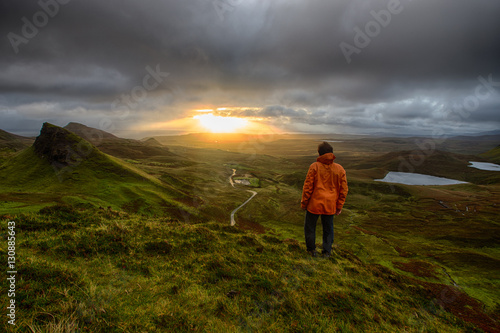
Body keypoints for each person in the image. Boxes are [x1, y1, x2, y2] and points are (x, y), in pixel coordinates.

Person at [301, 141, 348, 258]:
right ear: (331, 153)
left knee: (310, 227)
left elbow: (307, 188)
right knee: (328, 229)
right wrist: (339, 206)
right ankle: (326, 252)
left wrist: (304, 203)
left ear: (319, 153)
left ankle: (311, 250)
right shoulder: (340, 169)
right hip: (330, 205)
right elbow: (344, 190)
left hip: (314, 204)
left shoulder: (314, 167)